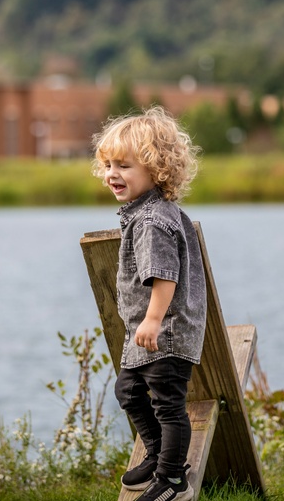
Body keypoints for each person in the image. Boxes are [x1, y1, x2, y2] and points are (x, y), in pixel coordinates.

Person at [91, 106, 206, 501]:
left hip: (165, 332)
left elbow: (164, 276)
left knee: (169, 405)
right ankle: (158, 455)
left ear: (156, 170)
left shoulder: (153, 220)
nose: (111, 174)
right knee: (129, 391)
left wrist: (153, 320)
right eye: (107, 165)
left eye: (123, 166)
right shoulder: (146, 215)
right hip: (152, 331)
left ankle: (173, 480)